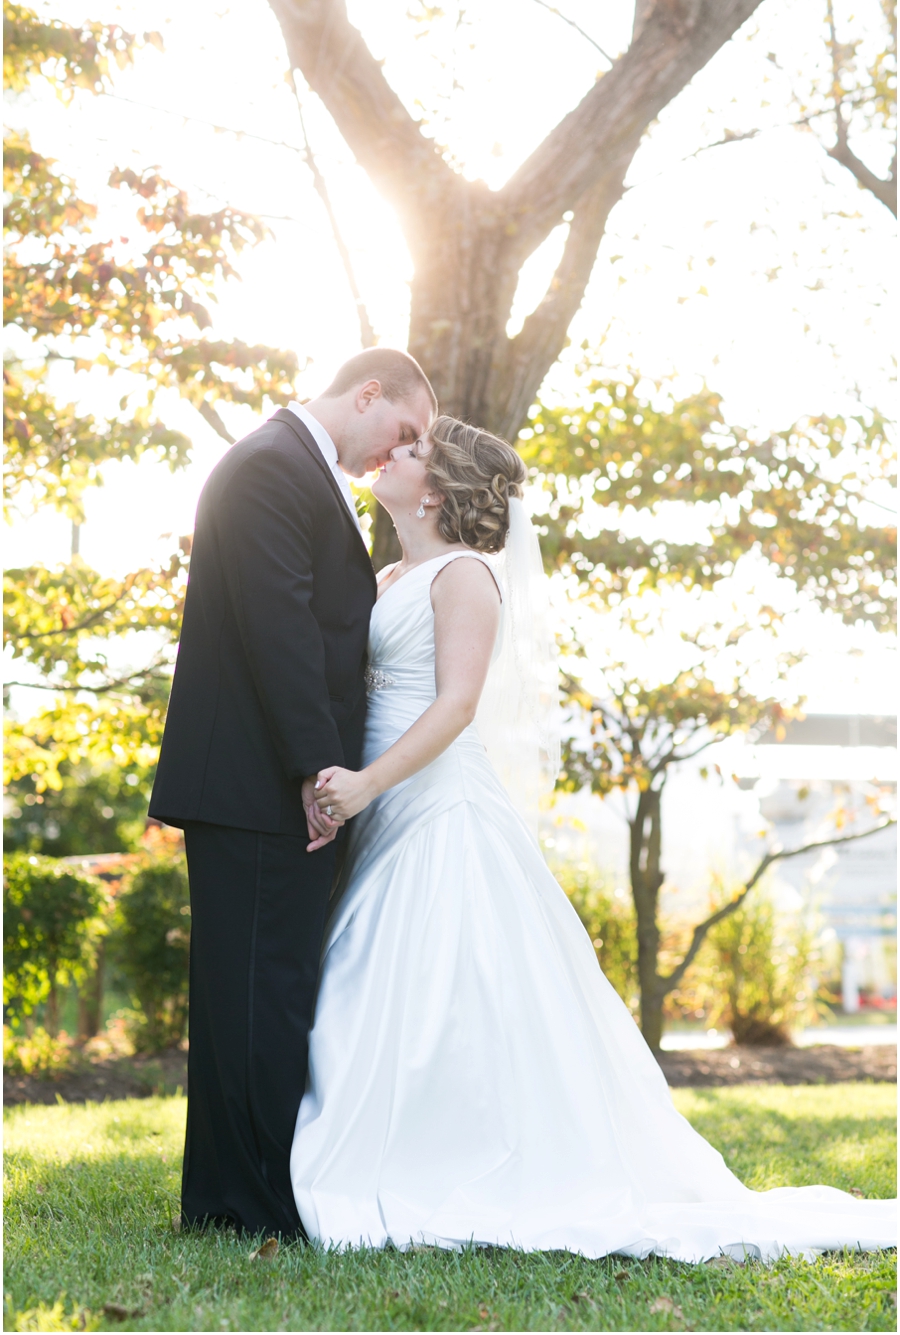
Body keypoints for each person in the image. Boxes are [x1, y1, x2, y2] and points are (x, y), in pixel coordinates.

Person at [290, 415, 896, 1263]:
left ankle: (440, 1156)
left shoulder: (466, 575)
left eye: (415, 450)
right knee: (383, 978)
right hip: (384, 808)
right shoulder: (390, 571)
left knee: (436, 980)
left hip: (439, 808)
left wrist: (363, 785)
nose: (393, 453)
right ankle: (389, 1141)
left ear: (435, 489)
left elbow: (456, 705)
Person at [148, 348, 436, 1237]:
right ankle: (245, 1206)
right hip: (257, 782)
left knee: (259, 991)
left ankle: (237, 1196)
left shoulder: (291, 466)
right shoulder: (273, 467)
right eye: (405, 430)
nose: (401, 449)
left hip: (257, 778)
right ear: (368, 393)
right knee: (255, 994)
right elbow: (279, 633)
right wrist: (319, 772)